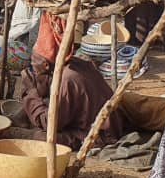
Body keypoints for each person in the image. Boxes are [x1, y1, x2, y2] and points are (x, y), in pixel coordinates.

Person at [8, 12, 125, 148]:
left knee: (41, 137)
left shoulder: (68, 78)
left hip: (100, 134)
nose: (32, 68)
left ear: (45, 65)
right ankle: (19, 121)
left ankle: (16, 131)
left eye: (33, 64)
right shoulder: (71, 64)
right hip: (89, 121)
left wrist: (31, 92)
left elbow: (50, 124)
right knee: (41, 100)